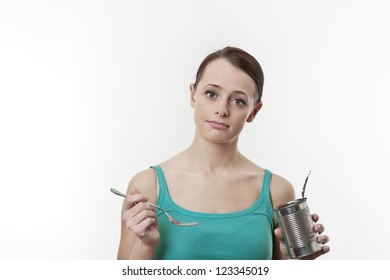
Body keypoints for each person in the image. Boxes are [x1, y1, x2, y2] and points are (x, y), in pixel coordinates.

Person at [116, 46, 330, 260]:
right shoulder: (147, 186)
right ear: (193, 95)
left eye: (238, 100)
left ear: (254, 111)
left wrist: (297, 266)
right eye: (211, 94)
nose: (222, 109)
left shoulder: (277, 191)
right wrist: (146, 245)